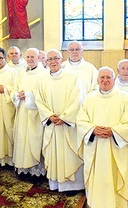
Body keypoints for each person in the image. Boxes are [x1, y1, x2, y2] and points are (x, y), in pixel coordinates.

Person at [77, 66, 128, 208]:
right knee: (98, 180)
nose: (105, 80)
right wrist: (92, 129)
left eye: (108, 77)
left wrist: (114, 131)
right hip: (96, 148)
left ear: (114, 79)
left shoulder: (126, 99)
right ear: (97, 80)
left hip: (118, 149)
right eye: (102, 78)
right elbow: (81, 121)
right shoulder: (89, 99)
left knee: (117, 178)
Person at [35, 49, 85, 194]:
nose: (53, 62)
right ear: (46, 62)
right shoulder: (43, 79)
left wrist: (65, 117)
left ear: (61, 59)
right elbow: (39, 100)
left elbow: (78, 99)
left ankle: (72, 186)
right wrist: (49, 116)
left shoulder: (72, 77)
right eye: (50, 59)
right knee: (54, 154)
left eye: (56, 58)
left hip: (68, 126)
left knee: (70, 154)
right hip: (52, 126)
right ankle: (56, 184)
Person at [11, 48, 47, 178]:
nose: (30, 59)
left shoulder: (44, 74)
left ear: (38, 58)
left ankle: (36, 172)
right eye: (28, 57)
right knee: (22, 139)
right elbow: (14, 89)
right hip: (22, 112)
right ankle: (23, 170)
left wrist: (28, 95)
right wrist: (17, 95)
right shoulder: (22, 73)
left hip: (35, 115)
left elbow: (44, 94)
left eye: (33, 57)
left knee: (34, 141)